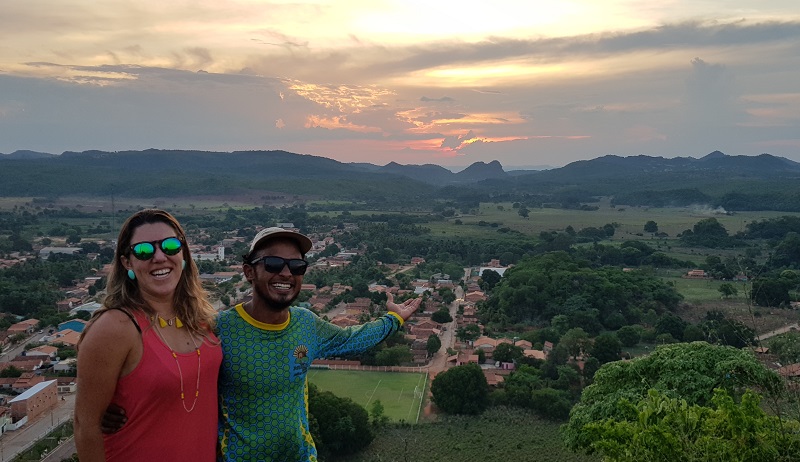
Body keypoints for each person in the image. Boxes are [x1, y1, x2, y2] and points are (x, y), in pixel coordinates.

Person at [216, 227, 421, 461]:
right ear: (249, 272)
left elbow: (350, 339)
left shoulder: (305, 323)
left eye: (296, 266)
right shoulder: (220, 330)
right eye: (273, 263)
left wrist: (394, 320)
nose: (286, 273)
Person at [75, 209, 223, 462]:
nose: (159, 257)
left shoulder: (201, 319)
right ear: (127, 263)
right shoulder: (116, 327)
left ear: (184, 254)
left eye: (170, 246)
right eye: (144, 250)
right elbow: (85, 426)